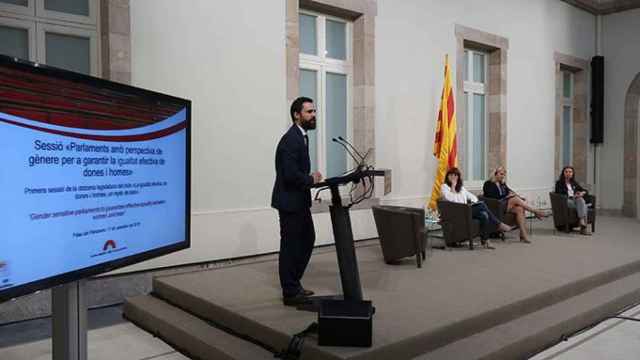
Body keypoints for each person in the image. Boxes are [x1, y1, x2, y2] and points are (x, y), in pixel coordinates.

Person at [271, 97, 323, 306]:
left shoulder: (301, 137)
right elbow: (290, 174)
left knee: (307, 239)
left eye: (314, 111)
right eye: (309, 112)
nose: (313, 115)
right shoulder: (291, 139)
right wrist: (311, 179)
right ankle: (290, 291)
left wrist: (308, 179)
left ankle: (294, 284)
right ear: (296, 115)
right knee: (291, 246)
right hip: (289, 203)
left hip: (299, 201)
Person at [440, 167, 513, 249]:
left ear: (458, 177)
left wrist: (472, 201)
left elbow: (474, 197)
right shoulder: (444, 187)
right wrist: (453, 186)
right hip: (456, 213)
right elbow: (452, 199)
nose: (454, 177)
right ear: (447, 176)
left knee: (484, 214)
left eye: (456, 175)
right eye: (451, 175)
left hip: (465, 210)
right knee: (482, 205)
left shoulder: (461, 188)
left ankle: (486, 241)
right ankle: (498, 224)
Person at [483, 166, 547, 243]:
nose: (503, 176)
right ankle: (536, 211)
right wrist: (507, 196)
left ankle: (523, 235)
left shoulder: (502, 184)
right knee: (515, 199)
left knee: (520, 208)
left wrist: (519, 197)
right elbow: (491, 196)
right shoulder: (488, 184)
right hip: (496, 206)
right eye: (501, 174)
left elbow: (510, 191)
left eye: (504, 175)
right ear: (495, 174)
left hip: (504, 205)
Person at [554, 166, 592, 235]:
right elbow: (559, 193)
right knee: (583, 205)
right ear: (563, 173)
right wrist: (573, 195)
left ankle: (581, 221)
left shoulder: (574, 182)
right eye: (566, 172)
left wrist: (582, 193)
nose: (568, 173)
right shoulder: (559, 183)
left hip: (575, 200)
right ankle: (583, 228)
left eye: (570, 172)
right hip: (565, 201)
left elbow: (583, 189)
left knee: (580, 200)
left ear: (572, 173)